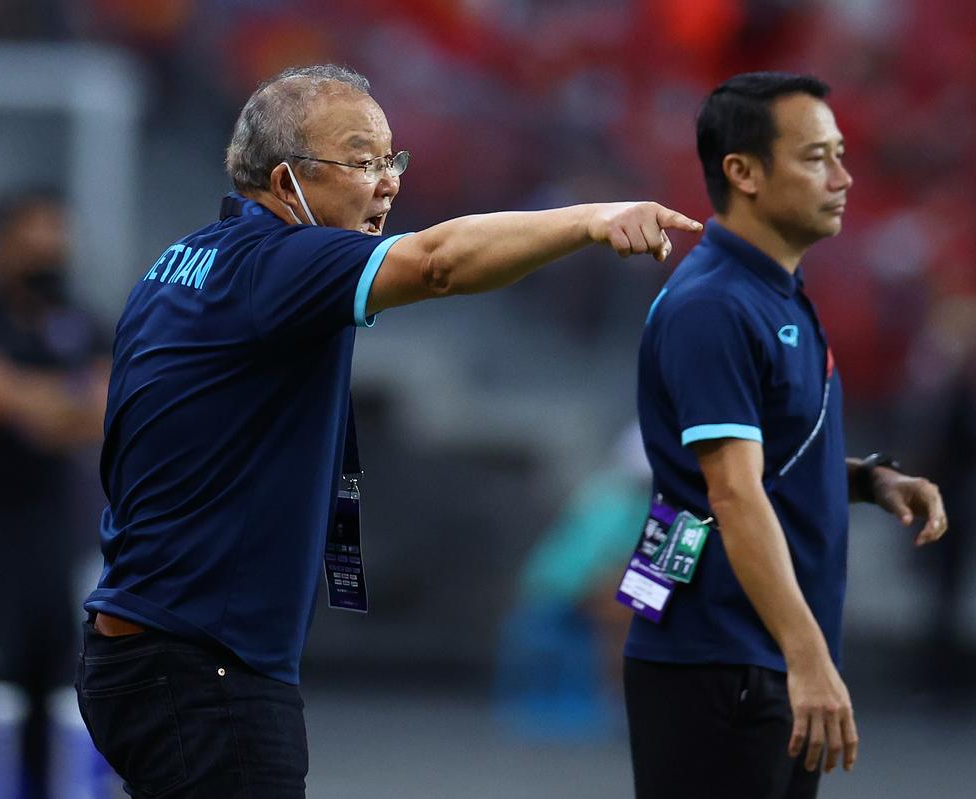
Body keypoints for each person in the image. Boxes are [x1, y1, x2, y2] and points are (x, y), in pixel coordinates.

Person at [74, 63, 702, 798]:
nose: (389, 182)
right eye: (361, 160)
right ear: (286, 184)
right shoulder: (279, 264)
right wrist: (588, 218)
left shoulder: (178, 263)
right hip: (202, 664)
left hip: (142, 644)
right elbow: (437, 262)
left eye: (392, 158)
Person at [622, 72, 949, 799]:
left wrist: (868, 477)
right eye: (815, 157)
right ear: (743, 172)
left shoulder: (776, 293)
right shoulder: (714, 306)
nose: (843, 176)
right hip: (720, 660)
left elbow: (766, 461)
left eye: (840, 153)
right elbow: (732, 493)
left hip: (753, 656)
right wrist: (808, 658)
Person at [0, 190, 110, 797]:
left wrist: (33, 402)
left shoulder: (81, 322)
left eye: (57, 232)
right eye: (34, 232)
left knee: (56, 669)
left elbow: (105, 405)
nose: (49, 246)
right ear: (3, 244)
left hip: (56, 525)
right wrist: (53, 403)